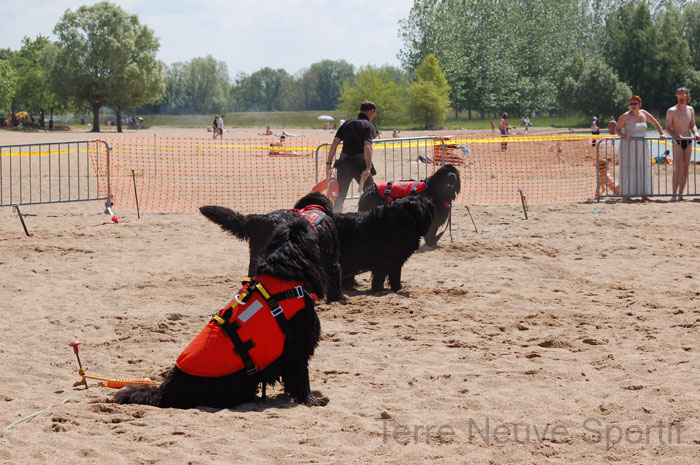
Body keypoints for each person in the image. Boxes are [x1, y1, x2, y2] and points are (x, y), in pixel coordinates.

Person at [325, 100, 377, 212]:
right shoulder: (368, 125)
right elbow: (367, 146)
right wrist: (368, 168)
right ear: (371, 112)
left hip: (344, 164)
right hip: (360, 164)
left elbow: (334, 143)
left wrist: (328, 164)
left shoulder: (347, 123)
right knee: (371, 194)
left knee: (340, 197)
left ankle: (335, 218)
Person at [615, 95, 665, 201]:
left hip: (642, 145)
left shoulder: (644, 113)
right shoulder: (625, 116)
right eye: (631, 104)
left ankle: (645, 194)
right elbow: (617, 129)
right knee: (629, 167)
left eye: (635, 104)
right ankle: (627, 194)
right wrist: (623, 135)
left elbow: (655, 122)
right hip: (628, 146)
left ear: (640, 104)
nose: (633, 106)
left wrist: (661, 134)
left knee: (644, 167)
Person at [665, 87, 700, 201]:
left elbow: (693, 125)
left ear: (687, 96)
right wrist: (675, 135)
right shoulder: (672, 111)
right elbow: (667, 128)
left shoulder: (690, 109)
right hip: (677, 141)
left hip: (688, 140)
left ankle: (681, 194)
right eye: (679, 96)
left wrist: (696, 133)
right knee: (678, 168)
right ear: (677, 97)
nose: (681, 98)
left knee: (685, 168)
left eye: (683, 95)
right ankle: (674, 195)